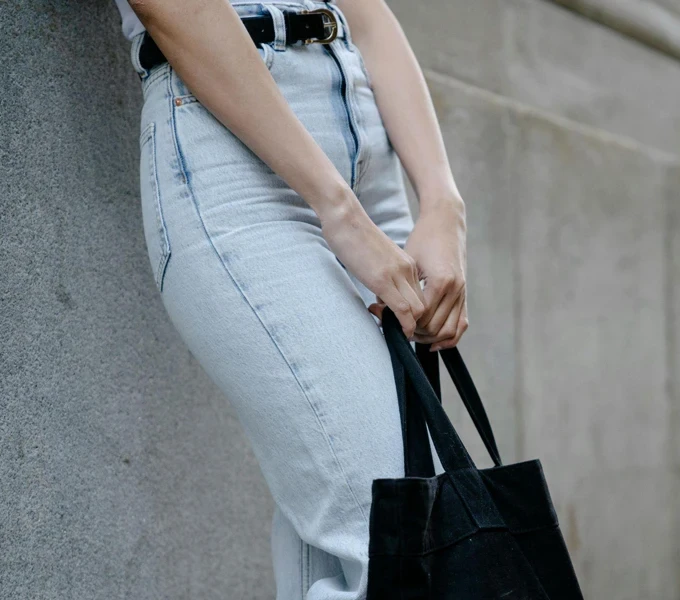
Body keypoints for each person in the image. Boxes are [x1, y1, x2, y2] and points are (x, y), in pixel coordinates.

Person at [116, 0, 468, 597]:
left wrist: (442, 203)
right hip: (233, 137)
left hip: (363, 132)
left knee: (377, 535)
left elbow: (369, 16)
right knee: (400, 544)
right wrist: (340, 214)